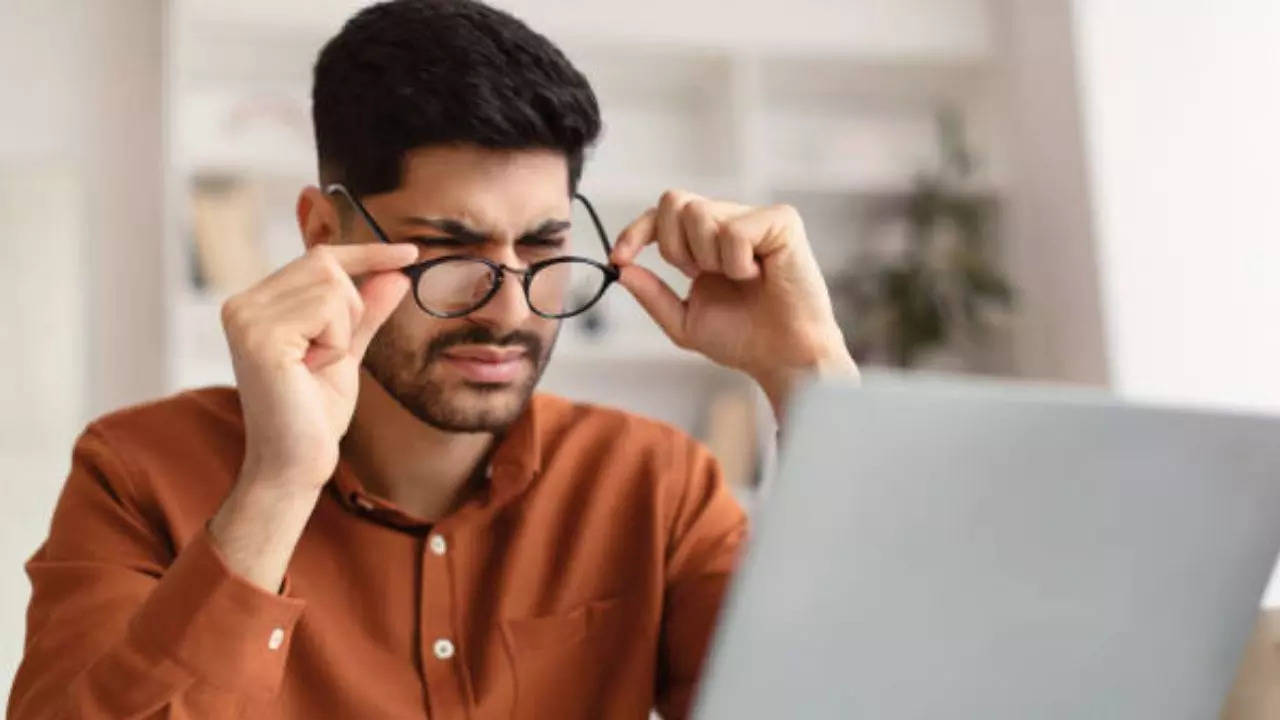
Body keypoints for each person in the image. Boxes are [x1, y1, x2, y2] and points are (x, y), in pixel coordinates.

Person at [9, 1, 858, 718]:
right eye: (449, 251)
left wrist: (810, 379)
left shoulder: (657, 485)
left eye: (543, 245)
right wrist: (277, 484)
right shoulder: (136, 474)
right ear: (322, 234)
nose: (510, 307)